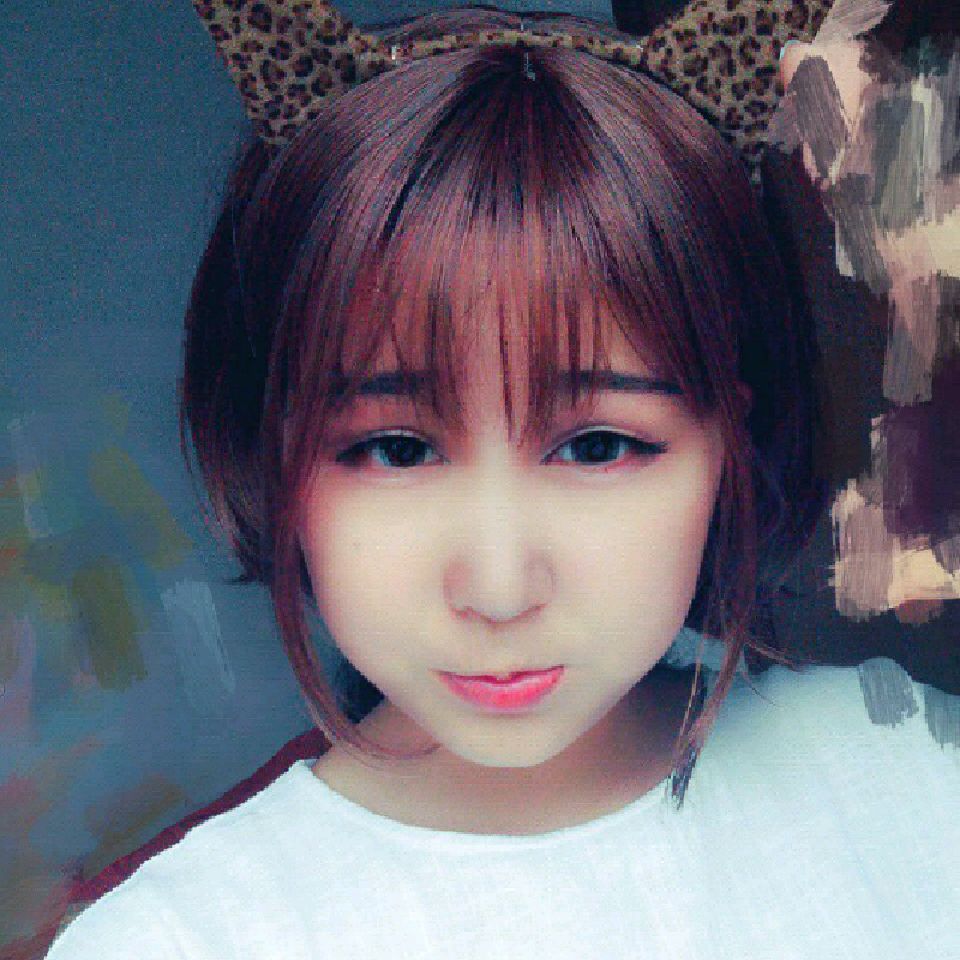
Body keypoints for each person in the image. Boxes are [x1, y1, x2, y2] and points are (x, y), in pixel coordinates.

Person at [42, 4, 959, 958]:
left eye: (597, 447)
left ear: (733, 440)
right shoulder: (175, 941)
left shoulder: (907, 779)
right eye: (396, 450)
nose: (499, 588)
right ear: (272, 449)